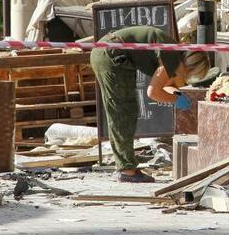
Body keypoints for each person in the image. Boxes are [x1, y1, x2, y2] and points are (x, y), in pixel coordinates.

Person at [90, 25, 210, 182]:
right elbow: (153, 92)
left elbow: (167, 84)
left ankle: (125, 167)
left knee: (123, 110)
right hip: (111, 54)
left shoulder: (173, 53)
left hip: (108, 52)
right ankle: (127, 171)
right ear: (189, 66)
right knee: (123, 112)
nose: (188, 78)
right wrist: (177, 99)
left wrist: (178, 94)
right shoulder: (172, 56)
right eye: (192, 75)